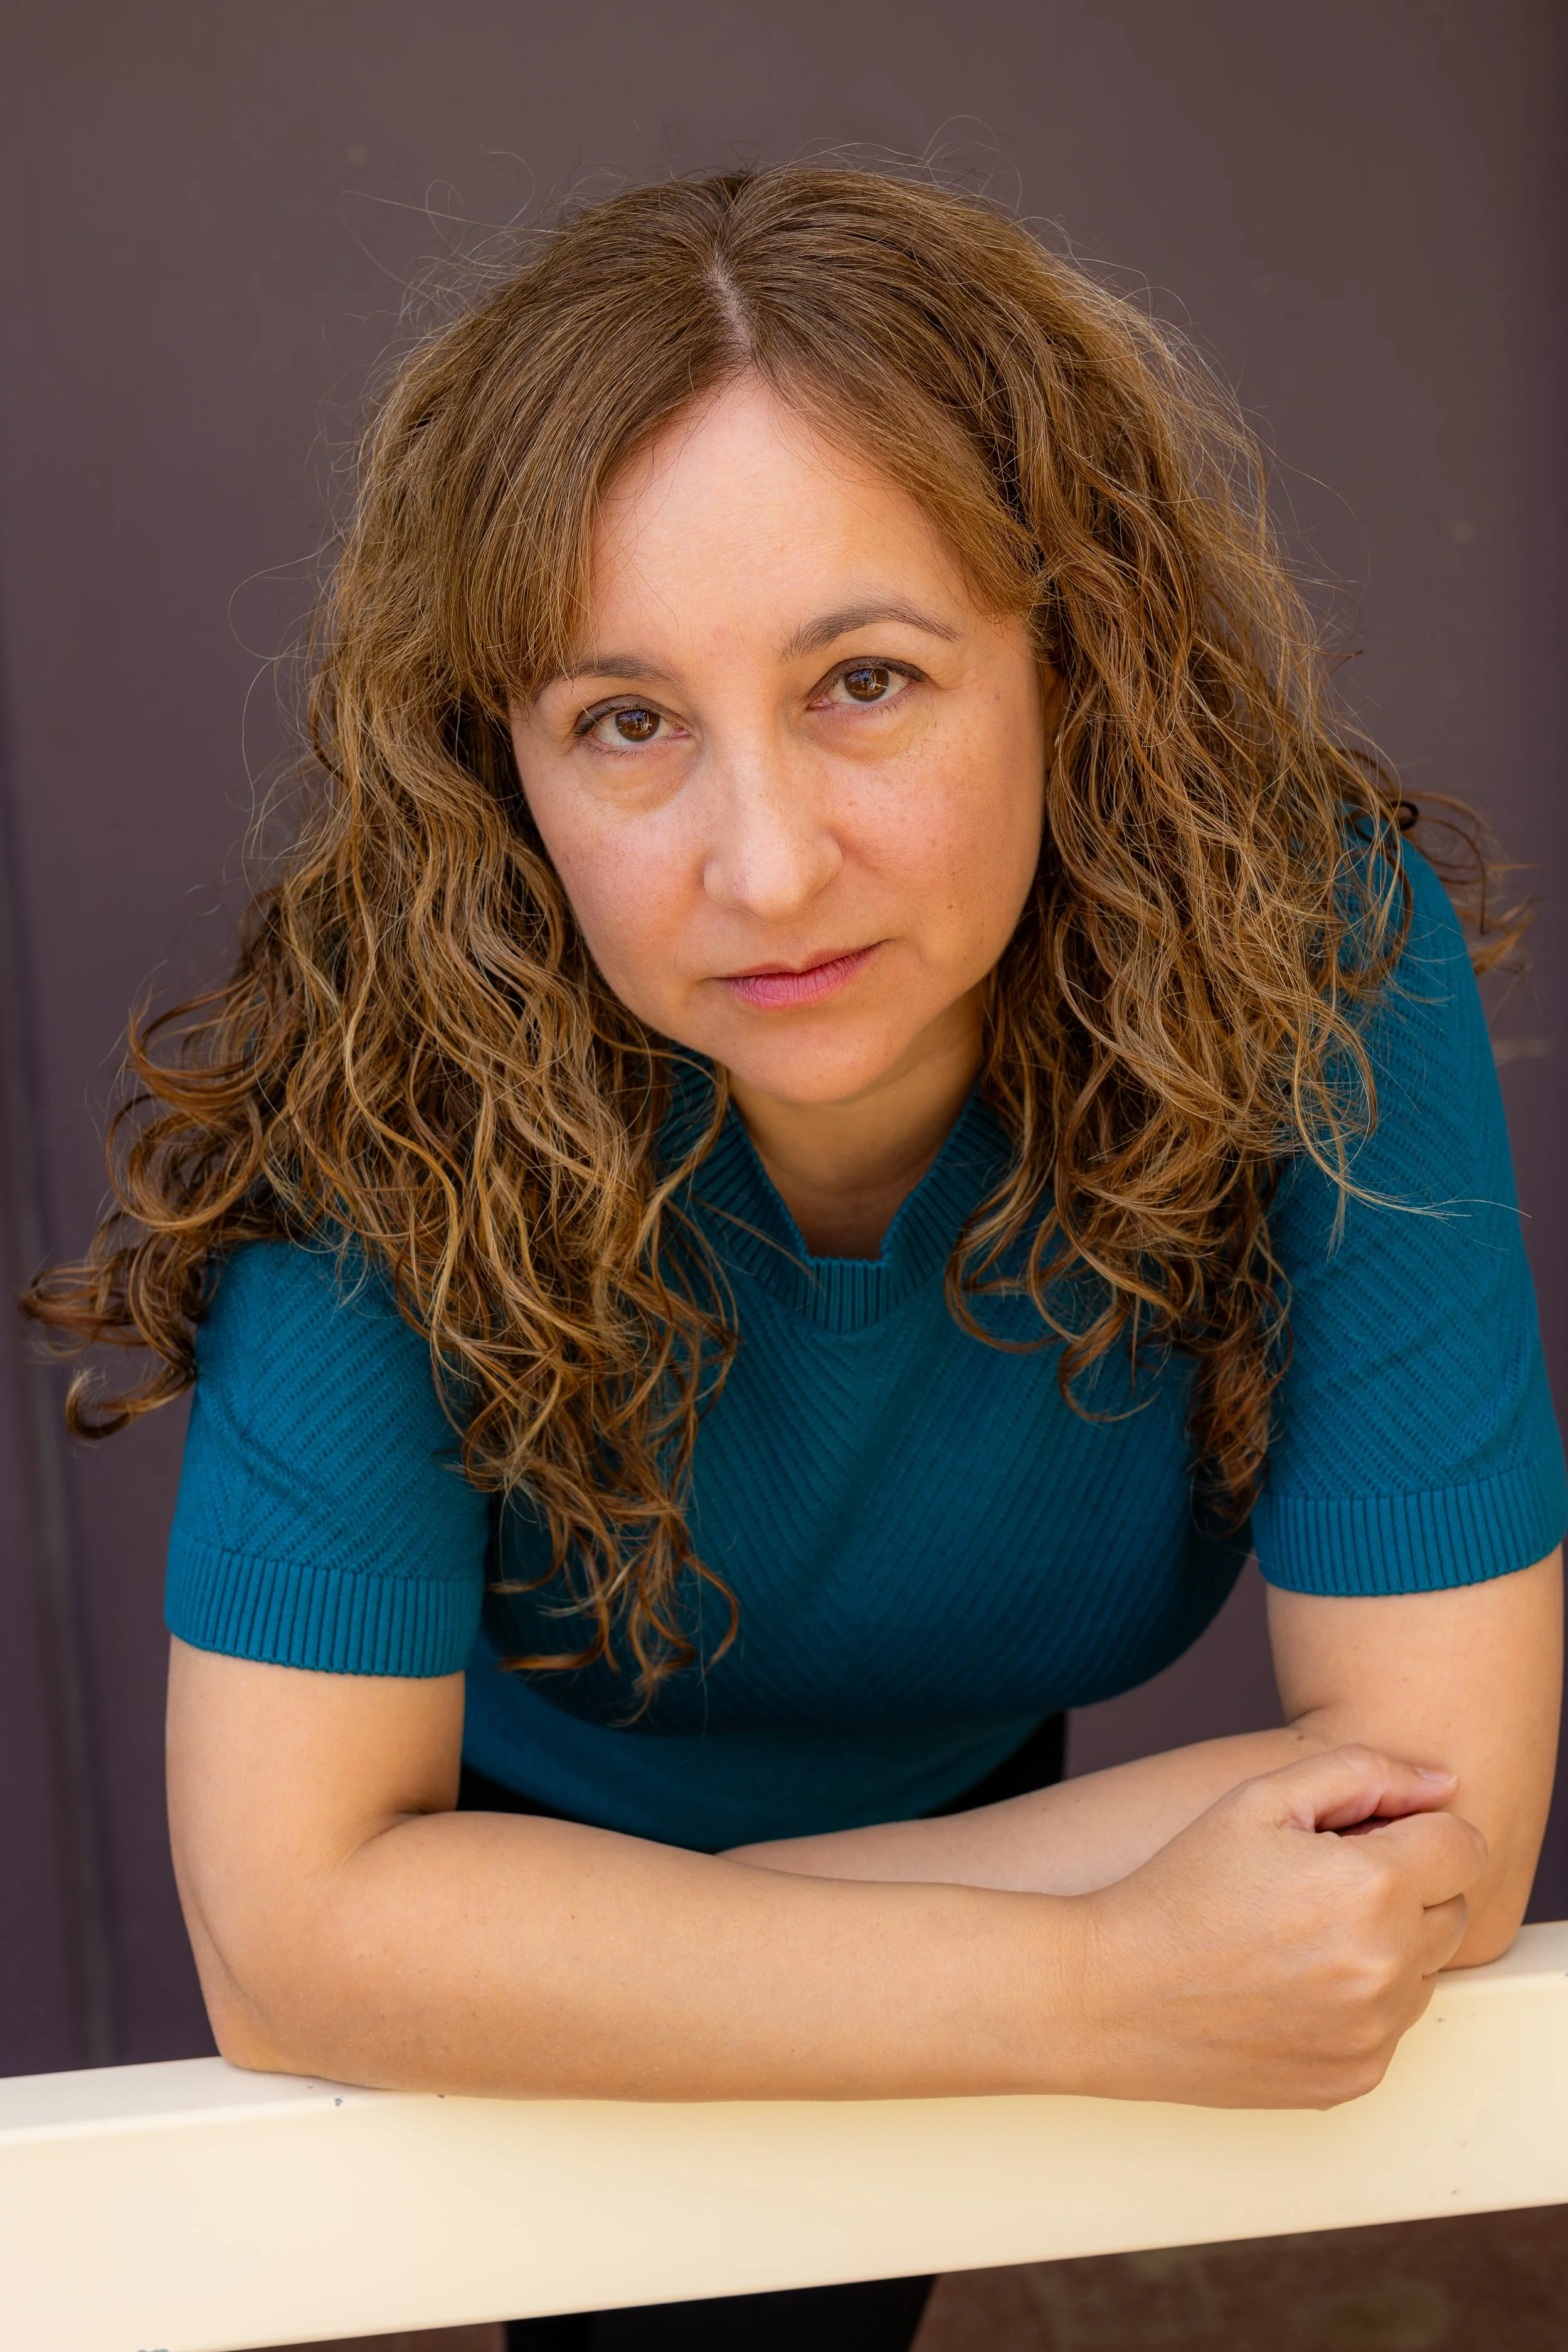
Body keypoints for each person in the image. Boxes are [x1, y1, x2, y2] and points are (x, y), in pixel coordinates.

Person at [26, 166, 1564, 2352]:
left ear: (1075, 654)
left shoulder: (1307, 956)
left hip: (805, 1857)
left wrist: (560, 1942)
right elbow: (289, 1946)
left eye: (865, 678)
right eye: (624, 720)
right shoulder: (393, 1066)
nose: (761, 863)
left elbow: (1434, 1823)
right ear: (508, 770)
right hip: (883, 1878)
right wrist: (1101, 1966)